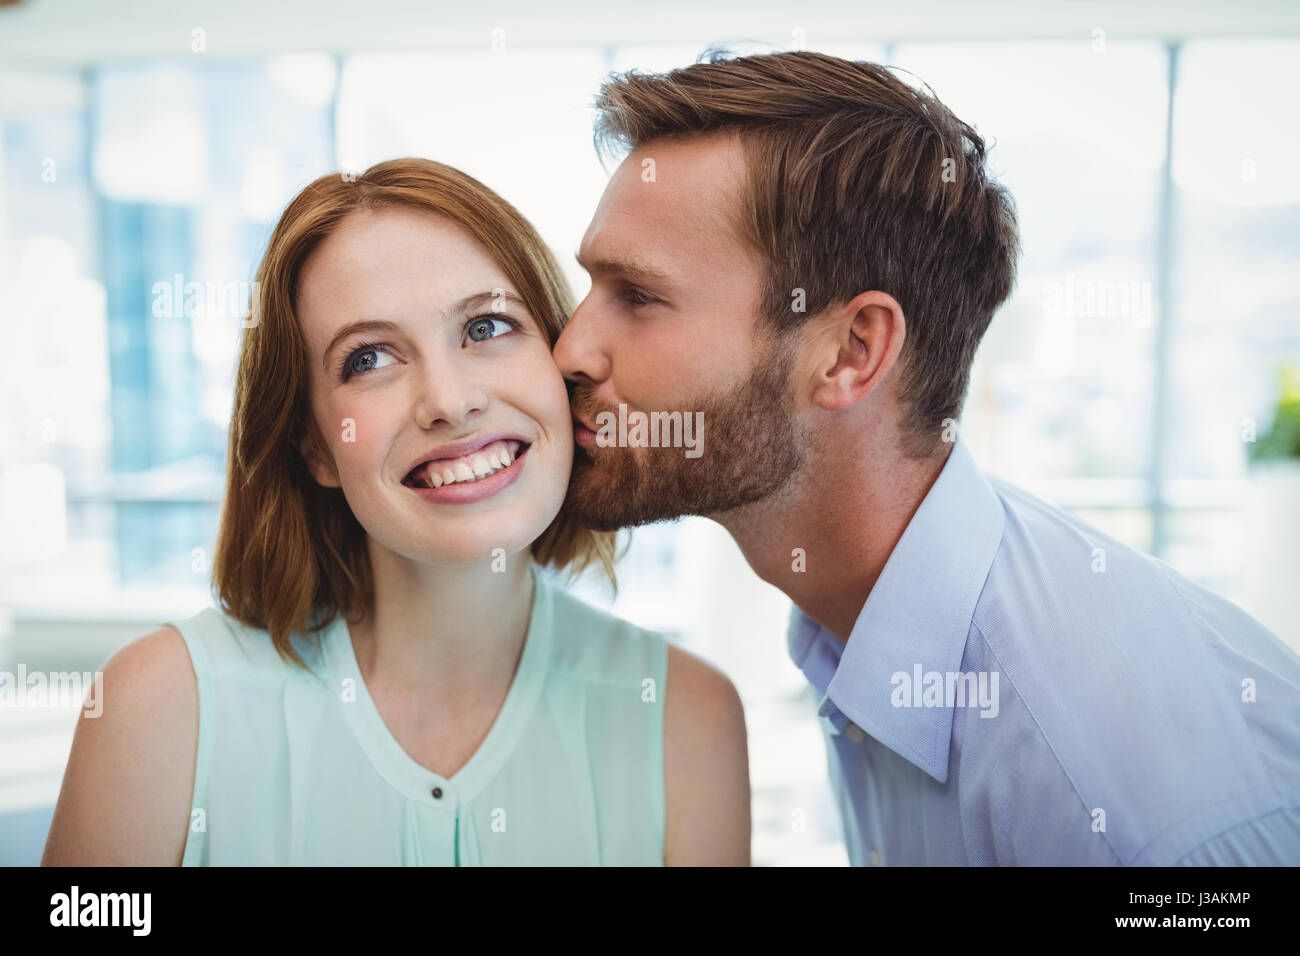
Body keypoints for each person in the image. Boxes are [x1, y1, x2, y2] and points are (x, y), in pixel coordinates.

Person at [553, 50, 1300, 865]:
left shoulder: (1107, 789)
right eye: (591, 287)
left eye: (638, 297)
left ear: (849, 353)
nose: (570, 350)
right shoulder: (857, 619)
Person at [42, 158, 750, 866]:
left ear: (560, 362)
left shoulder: (685, 720)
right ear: (315, 447)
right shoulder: (161, 708)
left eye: (486, 326)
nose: (448, 399)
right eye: (370, 358)